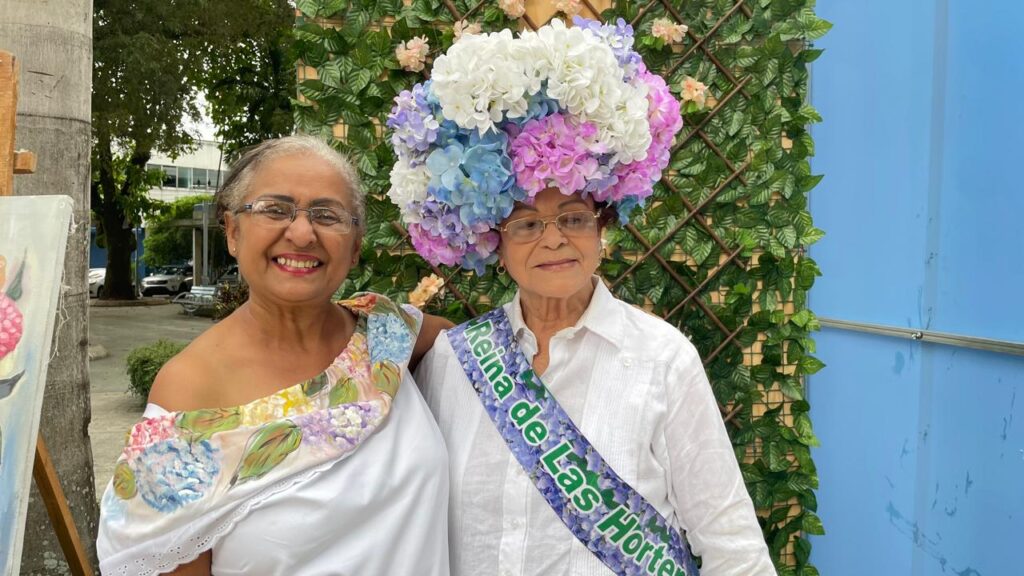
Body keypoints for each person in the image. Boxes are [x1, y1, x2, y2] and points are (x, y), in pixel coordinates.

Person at [386, 17, 776, 576]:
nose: (554, 240)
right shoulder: (453, 363)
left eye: (573, 217)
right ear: (493, 242)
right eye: (526, 224)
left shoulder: (662, 359)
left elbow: (731, 542)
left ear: (601, 229)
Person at [97, 136, 451, 575]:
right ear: (232, 231)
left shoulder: (391, 337)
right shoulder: (190, 389)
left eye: (327, 215)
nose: (301, 234)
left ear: (356, 246)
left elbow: (494, 355)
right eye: (274, 209)